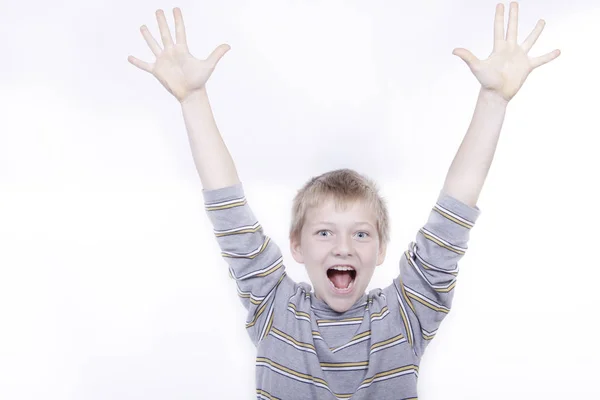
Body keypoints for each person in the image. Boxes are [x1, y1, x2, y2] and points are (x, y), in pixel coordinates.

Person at [128, 3, 560, 398]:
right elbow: (229, 214)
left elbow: (452, 217)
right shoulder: (274, 306)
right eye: (324, 232)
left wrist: (493, 100)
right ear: (295, 246)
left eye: (360, 233)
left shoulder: (405, 315)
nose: (343, 246)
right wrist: (194, 99)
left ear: (380, 249)